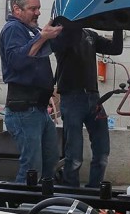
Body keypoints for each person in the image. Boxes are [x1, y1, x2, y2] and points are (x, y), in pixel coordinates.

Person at [0, 0, 63, 183]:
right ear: (17, 10)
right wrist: (41, 37)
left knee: (50, 160)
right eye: (33, 9)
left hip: (39, 109)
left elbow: (40, 53)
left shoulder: (31, 30)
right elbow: (17, 61)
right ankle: (20, 207)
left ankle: (40, 204)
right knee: (32, 167)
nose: (38, 12)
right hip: (23, 109)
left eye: (38, 8)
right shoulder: (13, 29)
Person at [51, 27, 123, 187]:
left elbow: (116, 49)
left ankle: (95, 190)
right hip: (72, 98)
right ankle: (71, 191)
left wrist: (118, 25)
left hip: (93, 97)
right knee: (74, 156)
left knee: (102, 152)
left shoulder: (90, 35)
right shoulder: (61, 35)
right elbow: (70, 37)